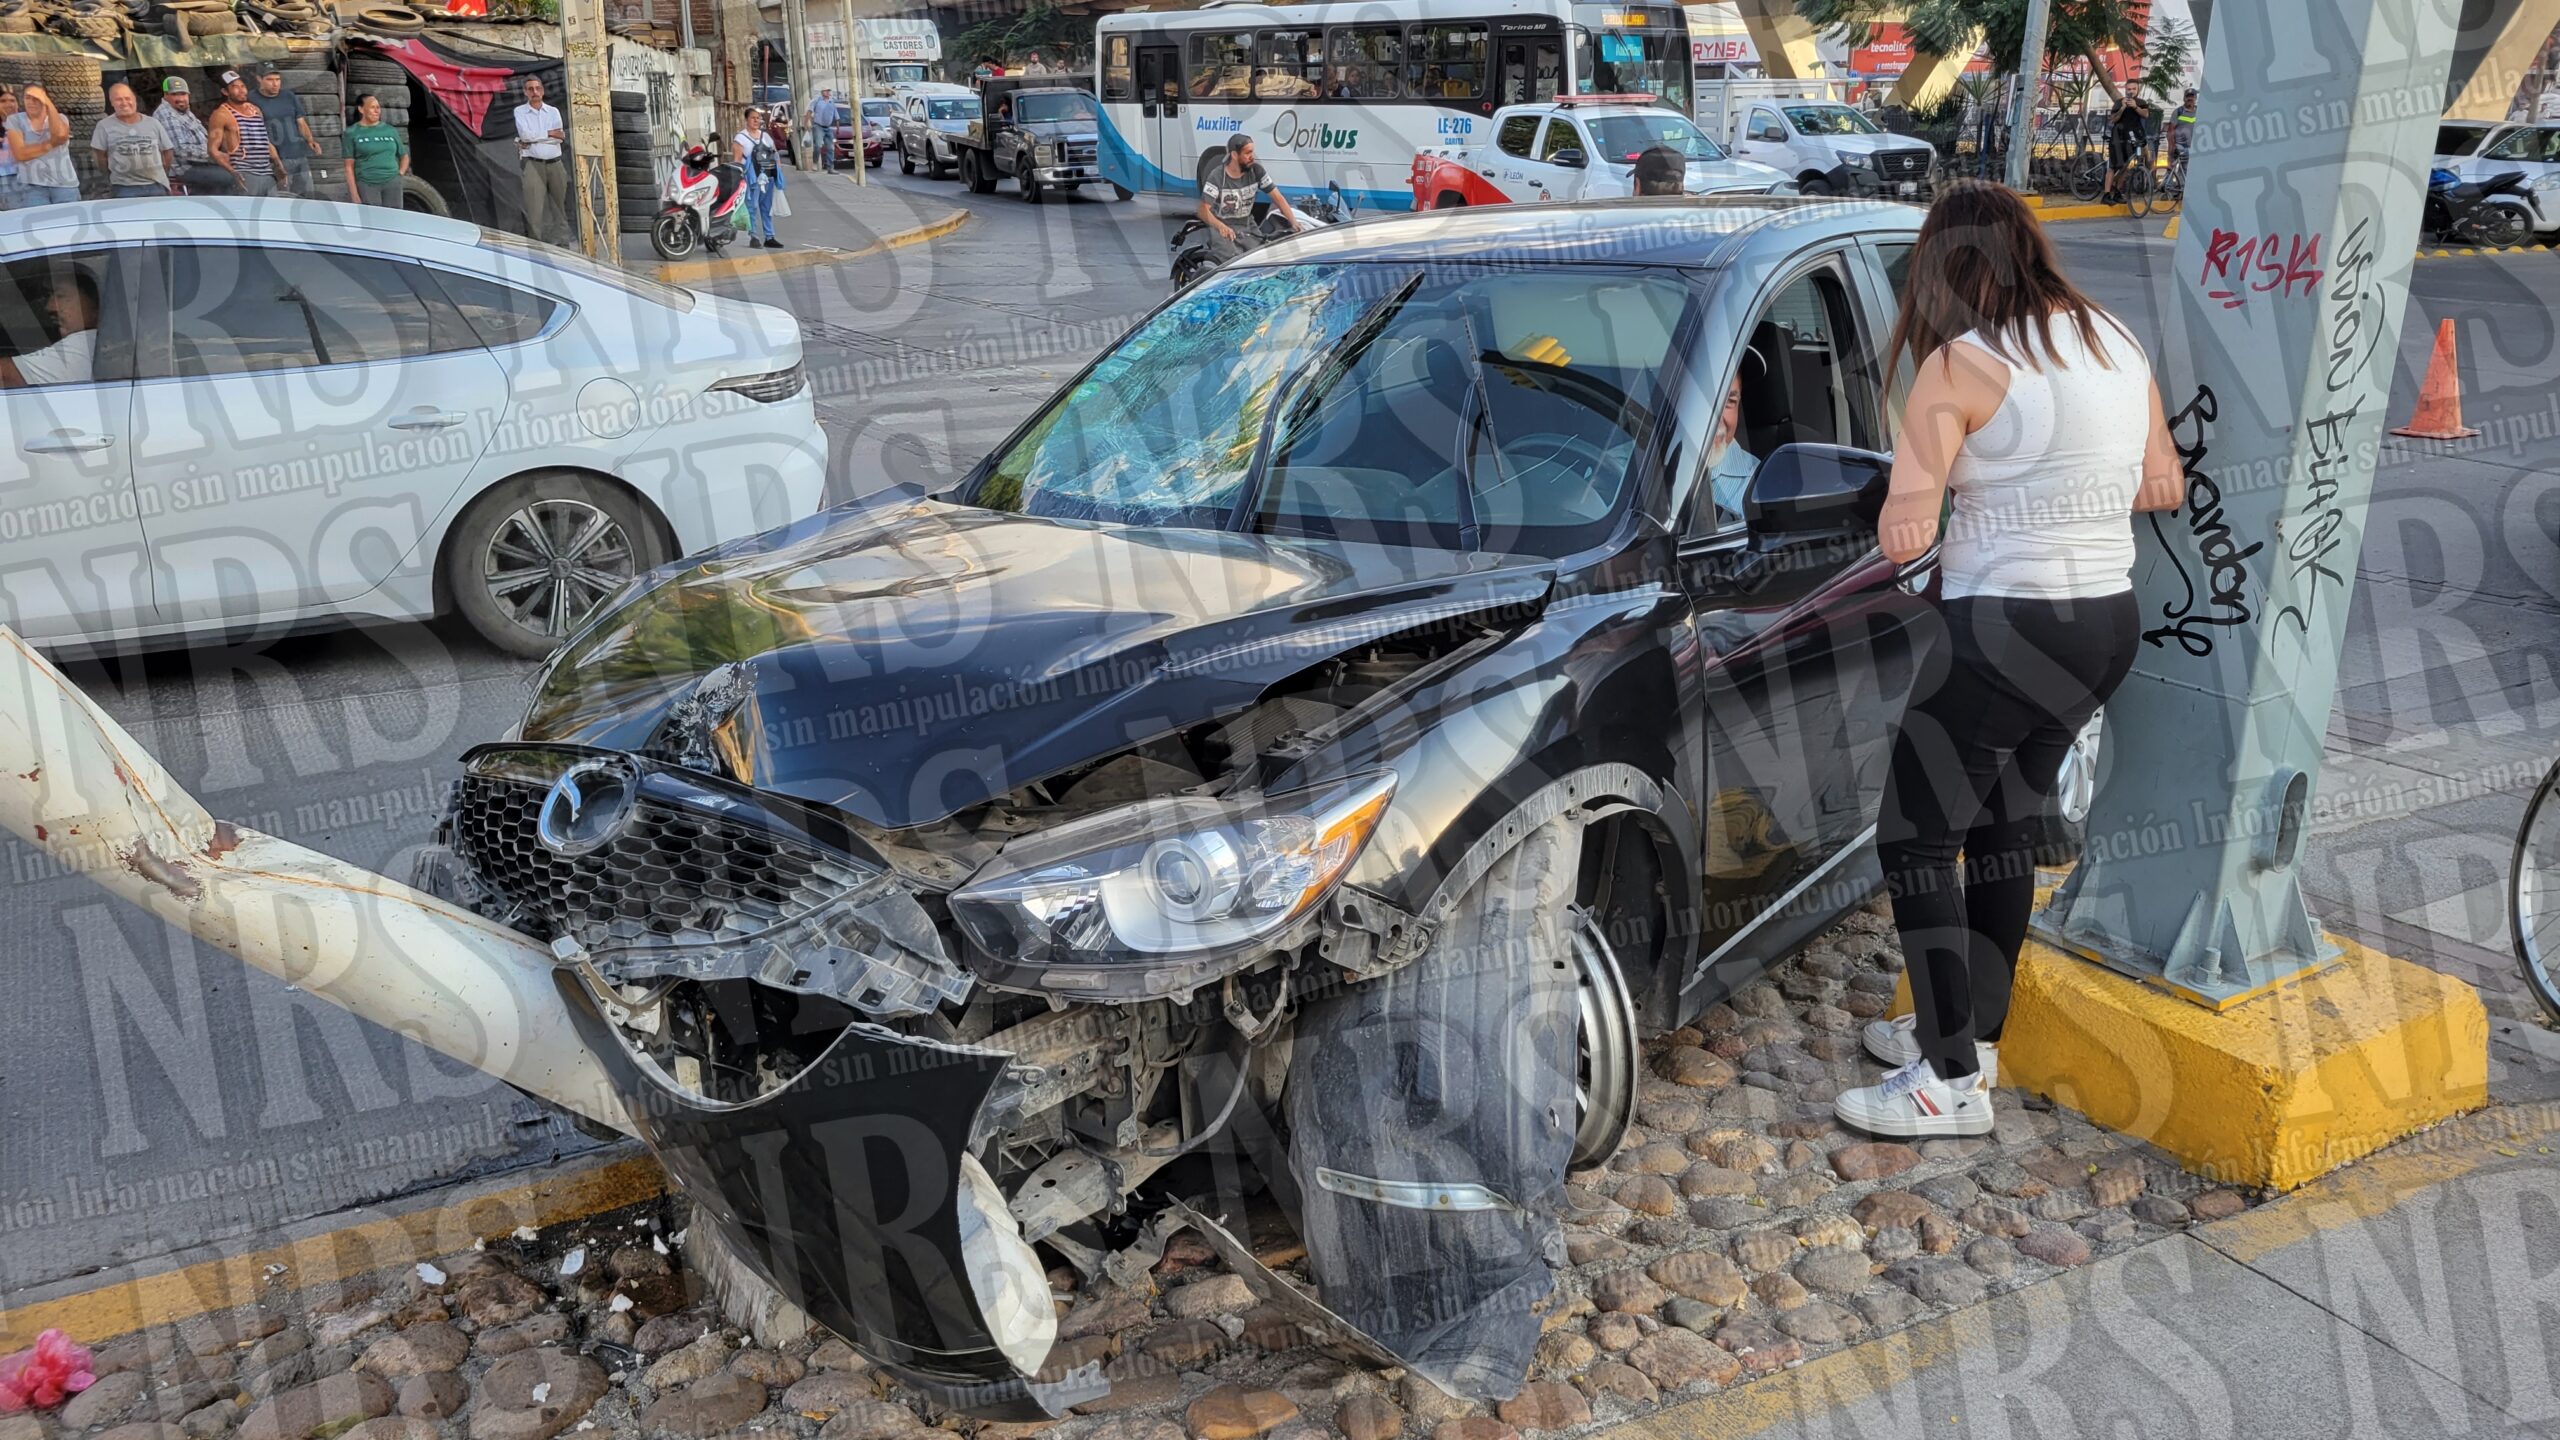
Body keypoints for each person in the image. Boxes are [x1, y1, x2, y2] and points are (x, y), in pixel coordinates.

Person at [1829, 181, 2184, 1138]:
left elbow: (1905, 535)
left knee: (1913, 840)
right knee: (2001, 827)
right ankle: (1973, 1042)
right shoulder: (2113, 338)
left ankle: (1946, 1085)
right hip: (2102, 623)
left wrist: (1918, 489)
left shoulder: (1961, 367)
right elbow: (2162, 482)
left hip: (2003, 630)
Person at [1196, 133, 1299, 265]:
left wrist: (1294, 223)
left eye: (1253, 152)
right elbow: (1202, 210)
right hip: (1224, 227)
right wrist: (1221, 227)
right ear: (1234, 155)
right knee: (1234, 264)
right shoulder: (1217, 177)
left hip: (1247, 225)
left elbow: (1278, 198)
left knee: (1260, 259)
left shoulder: (1256, 171)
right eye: (1248, 153)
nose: (1252, 157)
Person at [0, 268, 99, 389]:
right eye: (49, 296)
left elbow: (5, 376)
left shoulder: (86, 343)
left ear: (95, 303)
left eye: (61, 296)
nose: (50, 307)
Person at [514, 75, 571, 246]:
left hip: (555, 164)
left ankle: (562, 244)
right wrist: (548, 134)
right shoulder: (519, 111)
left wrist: (532, 139)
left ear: (543, 91)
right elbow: (525, 135)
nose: (535, 92)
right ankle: (536, 247)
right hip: (533, 164)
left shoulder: (553, 111)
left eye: (538, 88)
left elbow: (559, 137)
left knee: (559, 206)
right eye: (530, 89)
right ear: (525, 92)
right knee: (534, 209)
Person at [5, 83, 82, 206]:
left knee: (70, 223)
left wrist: (48, 103)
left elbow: (60, 136)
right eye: (27, 98)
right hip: (32, 187)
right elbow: (20, 154)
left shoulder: (60, 118)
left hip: (65, 185)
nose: (31, 102)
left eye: (36, 98)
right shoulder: (15, 120)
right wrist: (50, 144)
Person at [92, 82, 173, 198]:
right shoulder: (104, 126)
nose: (124, 103)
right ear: (112, 103)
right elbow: (100, 156)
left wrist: (162, 173)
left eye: (127, 98)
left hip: (156, 185)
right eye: (118, 99)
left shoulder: (153, 123)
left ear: (135, 99)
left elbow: (167, 152)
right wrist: (112, 175)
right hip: (124, 188)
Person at [252, 65, 320, 197]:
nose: (275, 84)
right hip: (274, 159)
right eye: (270, 80)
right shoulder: (251, 99)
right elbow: (257, 132)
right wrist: (276, 161)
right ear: (259, 79)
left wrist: (310, 140)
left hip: (299, 154)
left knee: (307, 195)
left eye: (278, 79)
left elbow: (300, 121)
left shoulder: (288, 96)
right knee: (281, 197)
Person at [155, 77, 231, 195]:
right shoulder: (167, 115)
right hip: (184, 168)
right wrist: (214, 155)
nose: (181, 99)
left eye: (183, 94)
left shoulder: (182, 110)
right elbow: (181, 150)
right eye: (175, 94)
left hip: (199, 162)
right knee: (230, 177)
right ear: (166, 95)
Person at [209, 70, 280, 196]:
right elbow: (213, 150)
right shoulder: (221, 114)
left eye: (243, 86)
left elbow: (265, 141)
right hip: (245, 174)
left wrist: (278, 165)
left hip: (267, 173)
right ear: (225, 92)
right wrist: (232, 171)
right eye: (235, 87)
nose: (241, 90)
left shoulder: (255, 110)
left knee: (271, 212)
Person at [344, 92, 408, 206]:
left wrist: (400, 174)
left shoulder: (390, 130)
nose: (376, 110)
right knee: (373, 220)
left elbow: (404, 156)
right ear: (361, 109)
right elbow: (349, 167)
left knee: (394, 220)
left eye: (378, 107)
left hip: (392, 183)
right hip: (367, 184)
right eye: (372, 107)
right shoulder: (351, 133)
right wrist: (354, 194)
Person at [735, 106, 783, 248]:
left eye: (758, 118)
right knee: (752, 206)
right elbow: (737, 159)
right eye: (753, 118)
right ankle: (753, 236)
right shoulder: (740, 138)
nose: (756, 121)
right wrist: (739, 178)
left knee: (767, 207)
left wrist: (778, 172)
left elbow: (775, 154)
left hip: (768, 176)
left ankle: (770, 237)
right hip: (752, 178)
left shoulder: (765, 136)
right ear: (746, 120)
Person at [2100, 92, 2148, 203]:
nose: (2131, 91)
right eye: (2129, 89)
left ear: (2138, 90)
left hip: (2131, 139)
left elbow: (2145, 115)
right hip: (2118, 138)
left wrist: (2135, 106)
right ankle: (2106, 195)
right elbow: (2113, 119)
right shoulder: (2118, 103)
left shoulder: (2141, 102)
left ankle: (2117, 192)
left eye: (2134, 88)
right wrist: (2122, 107)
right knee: (2112, 166)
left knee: (2125, 167)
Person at [0, 87, 23, 211]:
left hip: (25, 177)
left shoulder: (27, 124)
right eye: (3, 101)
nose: (9, 104)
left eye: (12, 100)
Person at [807, 87, 840, 172]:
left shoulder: (831, 102)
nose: (828, 92)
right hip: (818, 126)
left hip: (828, 127)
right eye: (826, 91)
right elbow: (810, 111)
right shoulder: (817, 100)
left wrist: (837, 127)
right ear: (822, 92)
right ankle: (815, 162)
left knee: (831, 148)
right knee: (818, 145)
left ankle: (830, 168)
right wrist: (807, 122)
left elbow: (836, 115)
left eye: (829, 91)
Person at [2169, 87, 2196, 161]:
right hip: (2180, 146)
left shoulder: (2199, 111)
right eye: (2188, 96)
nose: (2190, 99)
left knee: (2186, 170)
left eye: (2192, 96)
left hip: (2194, 147)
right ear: (2184, 98)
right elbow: (2171, 131)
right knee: (2173, 167)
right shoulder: (2178, 112)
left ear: (2195, 98)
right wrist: (2173, 146)